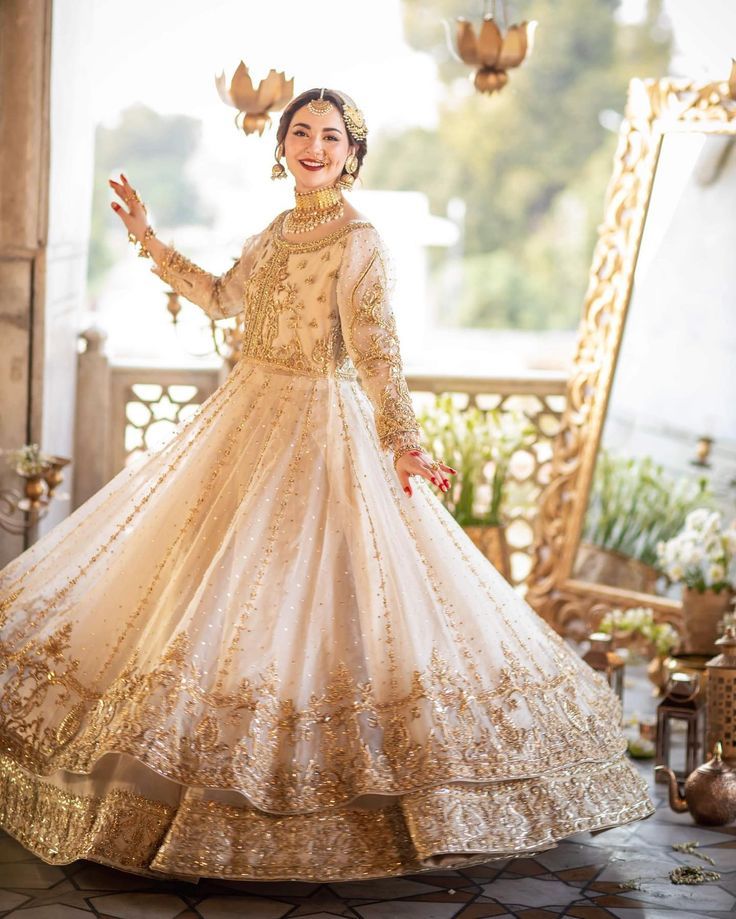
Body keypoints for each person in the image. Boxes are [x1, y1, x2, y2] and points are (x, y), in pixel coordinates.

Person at [0, 87, 654, 882]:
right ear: (281, 147)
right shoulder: (276, 231)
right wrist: (146, 239)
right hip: (244, 422)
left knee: (322, 601)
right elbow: (220, 296)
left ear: (353, 152)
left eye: (331, 136)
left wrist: (404, 444)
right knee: (205, 594)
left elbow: (379, 352)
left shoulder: (359, 238)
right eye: (301, 132)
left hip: (321, 430)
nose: (315, 145)